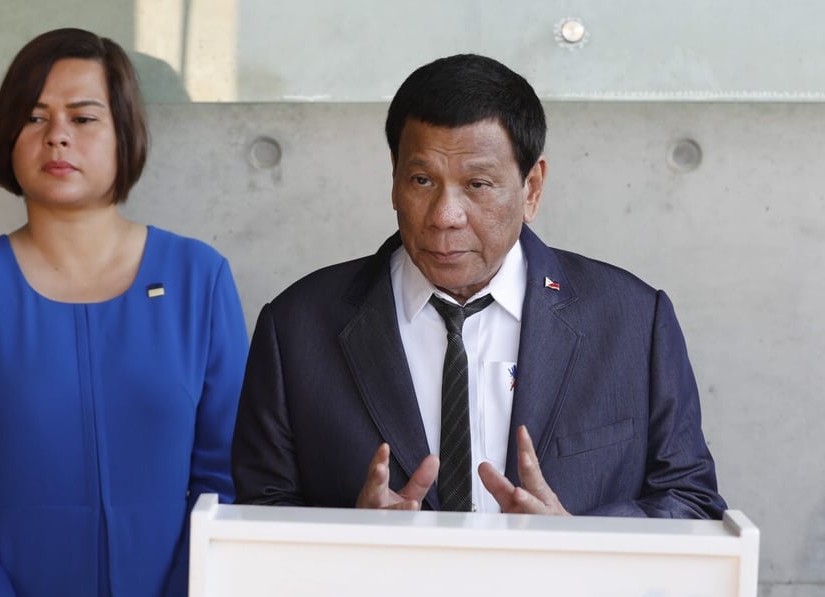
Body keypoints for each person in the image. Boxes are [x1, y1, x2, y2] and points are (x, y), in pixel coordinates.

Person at [232, 53, 726, 518]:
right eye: (422, 180)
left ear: (532, 188)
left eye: (478, 185)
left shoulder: (634, 321)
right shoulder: (296, 327)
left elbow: (691, 501)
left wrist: (578, 540)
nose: (445, 217)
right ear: (394, 180)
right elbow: (259, 511)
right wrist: (354, 539)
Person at [0, 28, 248, 596]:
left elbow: (228, 474)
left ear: (124, 133)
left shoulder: (198, 279)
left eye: (83, 118)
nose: (57, 136)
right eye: (35, 117)